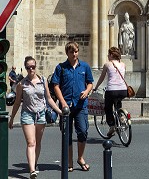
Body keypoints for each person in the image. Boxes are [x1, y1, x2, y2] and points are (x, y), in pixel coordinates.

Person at [8, 56, 62, 179]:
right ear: (26, 68)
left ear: (35, 66)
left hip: (41, 114)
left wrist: (59, 111)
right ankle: (32, 170)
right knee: (31, 142)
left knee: (37, 143)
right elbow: (17, 103)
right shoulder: (22, 84)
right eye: (28, 67)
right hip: (27, 114)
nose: (31, 69)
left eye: (33, 67)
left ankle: (34, 163)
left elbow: (48, 98)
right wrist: (12, 119)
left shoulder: (43, 80)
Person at [51, 41, 93, 172]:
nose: (74, 54)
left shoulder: (84, 67)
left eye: (76, 51)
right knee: (66, 135)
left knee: (83, 132)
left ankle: (80, 158)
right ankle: (69, 161)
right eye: (71, 52)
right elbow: (55, 85)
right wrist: (62, 102)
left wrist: (86, 92)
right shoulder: (61, 67)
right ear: (67, 53)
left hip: (81, 105)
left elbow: (90, 83)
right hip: (66, 106)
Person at [93, 47, 127, 137]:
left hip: (112, 90)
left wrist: (96, 87)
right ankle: (121, 117)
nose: (107, 56)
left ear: (111, 55)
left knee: (108, 108)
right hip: (123, 90)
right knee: (118, 103)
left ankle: (112, 126)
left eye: (108, 54)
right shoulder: (123, 64)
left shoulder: (107, 65)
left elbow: (102, 78)